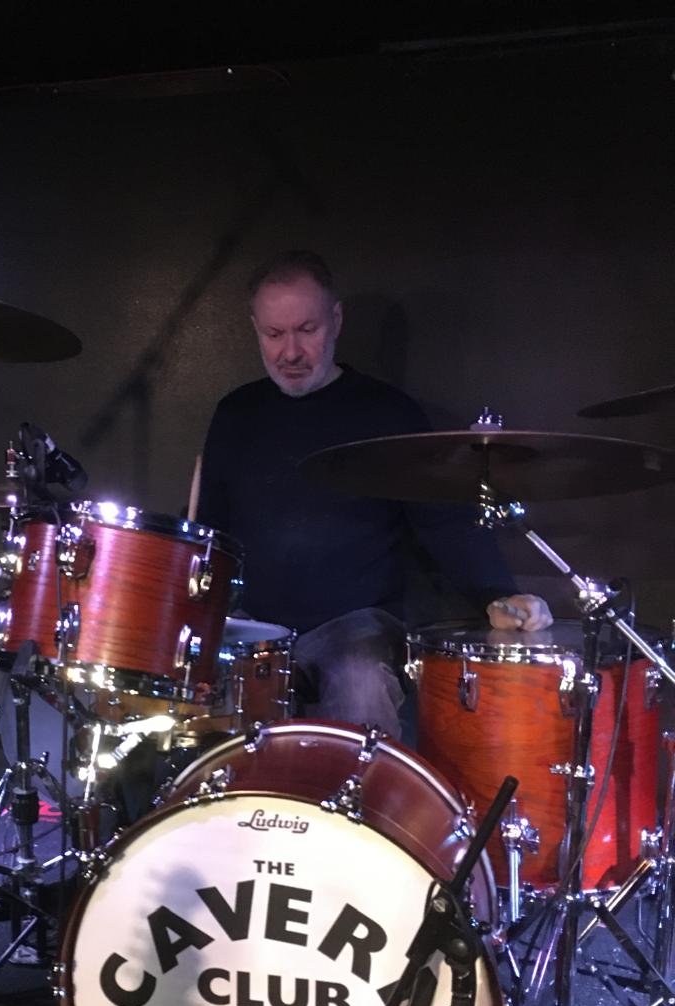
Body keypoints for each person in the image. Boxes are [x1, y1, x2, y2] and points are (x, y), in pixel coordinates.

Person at [194, 250, 552, 739]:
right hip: (255, 624)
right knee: (200, 691)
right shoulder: (236, 413)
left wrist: (497, 594)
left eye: (307, 329)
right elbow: (210, 531)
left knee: (359, 677)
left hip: (355, 623)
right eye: (274, 334)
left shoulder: (387, 413)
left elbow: (443, 523)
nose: (290, 352)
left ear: (336, 320)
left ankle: (363, 792)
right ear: (255, 328)